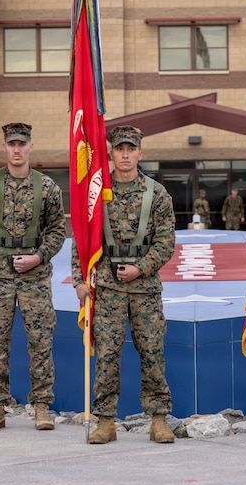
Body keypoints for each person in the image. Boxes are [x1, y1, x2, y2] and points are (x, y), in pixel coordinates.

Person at [73, 125, 176, 444]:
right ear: (111, 153)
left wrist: (140, 268)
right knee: (107, 355)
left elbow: (166, 242)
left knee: (152, 352)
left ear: (140, 153)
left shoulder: (157, 193)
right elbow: (81, 239)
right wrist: (79, 280)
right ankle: (105, 421)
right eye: (120, 149)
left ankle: (158, 419)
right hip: (108, 288)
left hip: (145, 288)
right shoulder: (97, 193)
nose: (126, 155)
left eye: (131, 149)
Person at [0, 123, 66, 432]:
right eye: (11, 144)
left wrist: (38, 257)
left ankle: (41, 405)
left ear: (30, 147)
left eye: (21, 144)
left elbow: (57, 231)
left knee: (40, 342)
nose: (16, 149)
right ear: (4, 147)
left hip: (35, 276)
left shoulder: (47, 187)